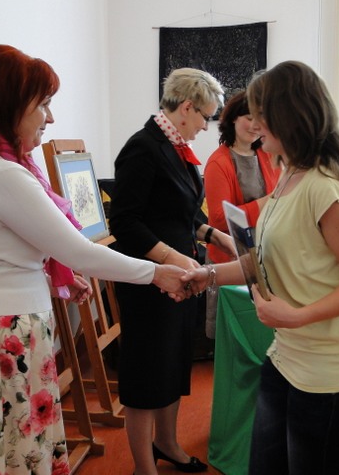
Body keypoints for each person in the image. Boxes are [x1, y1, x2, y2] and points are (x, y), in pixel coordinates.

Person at [0, 44, 189, 475]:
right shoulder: (3, 173)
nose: (50, 117)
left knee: (3, 453)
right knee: (9, 456)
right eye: (43, 104)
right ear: (12, 106)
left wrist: (51, 278)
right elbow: (79, 251)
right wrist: (157, 273)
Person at [183, 61, 339, 474]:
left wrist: (297, 316)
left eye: (261, 113)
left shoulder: (327, 187)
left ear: (290, 116)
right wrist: (209, 276)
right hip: (286, 360)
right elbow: (264, 260)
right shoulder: (289, 176)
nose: (255, 123)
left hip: (331, 378)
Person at [108, 67, 235, 475]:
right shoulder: (143, 148)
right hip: (149, 281)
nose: (205, 126)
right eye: (205, 117)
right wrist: (172, 258)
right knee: (147, 374)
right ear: (186, 108)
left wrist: (215, 235)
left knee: (173, 365)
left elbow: (179, 213)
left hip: (180, 276)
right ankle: (144, 467)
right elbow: (124, 222)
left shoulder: (176, 147)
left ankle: (167, 443)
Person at [203, 90, 281, 338]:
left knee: (261, 331)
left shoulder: (268, 154)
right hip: (230, 257)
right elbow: (219, 218)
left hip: (265, 255)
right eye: (249, 118)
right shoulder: (218, 162)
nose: (256, 125)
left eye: (261, 119)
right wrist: (266, 203)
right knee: (233, 333)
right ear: (233, 119)